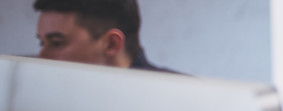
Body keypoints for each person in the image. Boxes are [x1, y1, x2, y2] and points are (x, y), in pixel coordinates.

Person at [34, 0, 176, 73]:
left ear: (111, 44)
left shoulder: (181, 100)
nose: (41, 57)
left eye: (57, 43)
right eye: (42, 43)